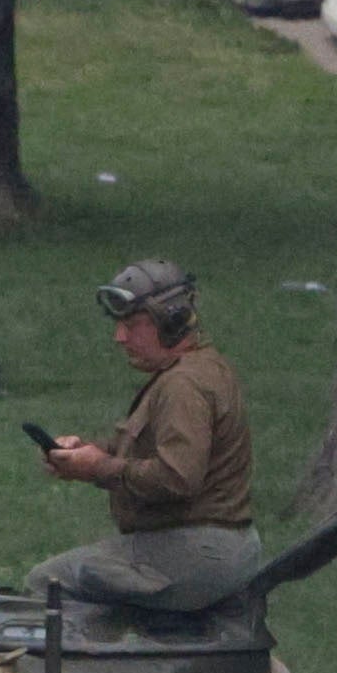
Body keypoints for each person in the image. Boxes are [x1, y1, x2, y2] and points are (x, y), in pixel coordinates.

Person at [36, 256, 259, 607]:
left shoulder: (183, 385)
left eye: (132, 324)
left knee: (46, 585)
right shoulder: (198, 368)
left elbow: (177, 477)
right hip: (213, 548)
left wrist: (97, 467)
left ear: (172, 321)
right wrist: (86, 454)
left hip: (198, 551)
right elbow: (154, 449)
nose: (119, 337)